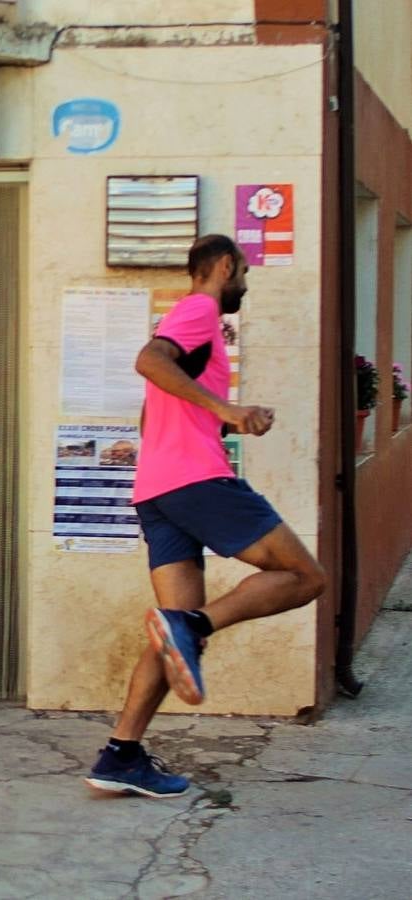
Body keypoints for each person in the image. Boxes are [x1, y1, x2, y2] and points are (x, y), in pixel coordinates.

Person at [85, 234, 327, 799]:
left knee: (170, 630)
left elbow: (152, 418)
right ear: (224, 266)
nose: (244, 282)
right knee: (305, 576)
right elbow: (147, 361)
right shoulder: (199, 310)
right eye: (243, 271)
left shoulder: (188, 328)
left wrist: (213, 419)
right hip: (197, 481)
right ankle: (194, 627)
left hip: (158, 490)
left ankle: (121, 754)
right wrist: (227, 412)